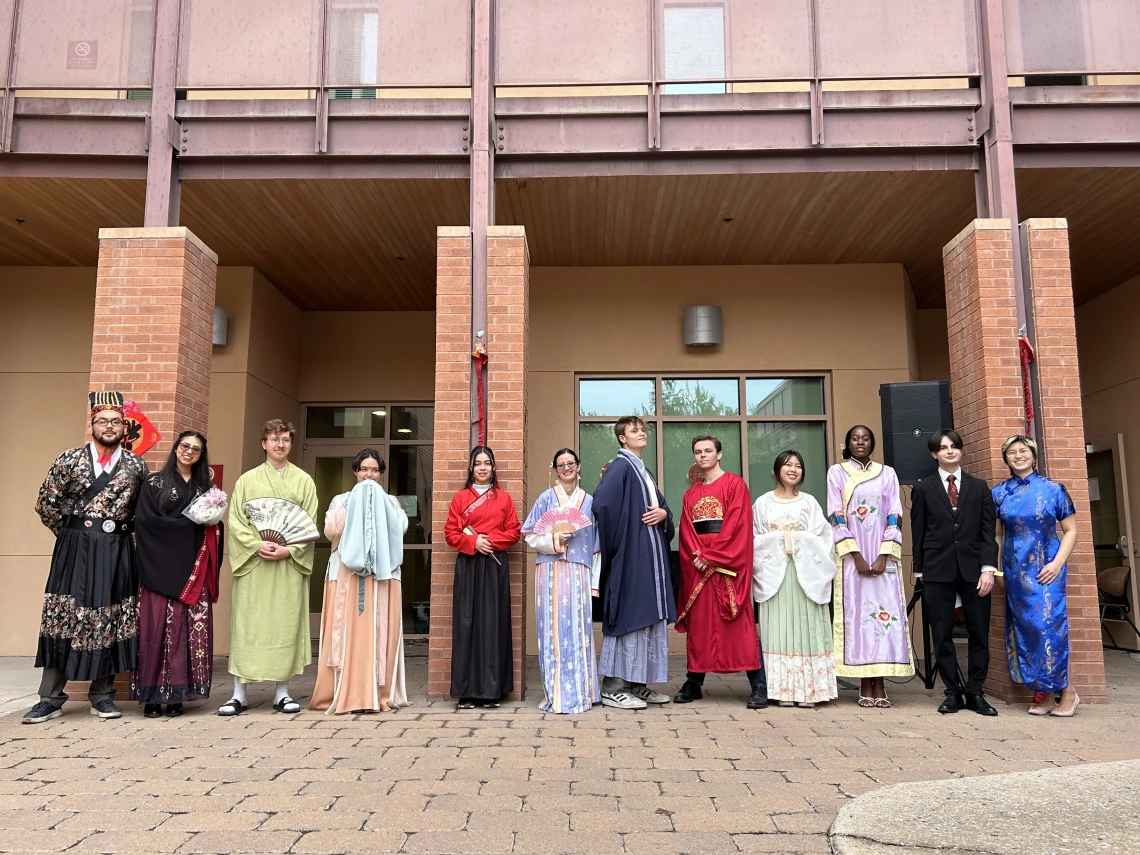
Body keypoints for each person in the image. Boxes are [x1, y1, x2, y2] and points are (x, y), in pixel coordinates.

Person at [23, 392, 150, 724]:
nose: (109, 426)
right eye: (102, 421)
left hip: (117, 547)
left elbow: (143, 511)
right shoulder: (69, 459)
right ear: (92, 425)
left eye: (116, 421)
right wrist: (71, 535)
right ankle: (50, 698)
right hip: (74, 547)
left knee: (108, 614)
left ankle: (102, 696)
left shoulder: (135, 465)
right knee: (63, 615)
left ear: (125, 427)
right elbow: (46, 503)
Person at [219, 419, 318, 716]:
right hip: (255, 565)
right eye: (274, 439)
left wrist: (289, 548)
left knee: (283, 625)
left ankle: (282, 692)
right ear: (263, 443)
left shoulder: (303, 481)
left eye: (286, 440)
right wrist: (255, 545)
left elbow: (308, 523)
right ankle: (238, 693)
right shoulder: (247, 480)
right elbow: (236, 521)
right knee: (247, 625)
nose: (280, 445)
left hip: (287, 564)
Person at [131, 430, 223, 718]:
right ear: (176, 448)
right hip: (158, 568)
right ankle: (151, 697)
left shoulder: (204, 488)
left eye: (196, 449)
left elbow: (215, 528)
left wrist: (212, 523)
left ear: (201, 455)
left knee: (186, 632)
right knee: (155, 631)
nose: (189, 452)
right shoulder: (154, 483)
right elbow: (146, 523)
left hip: (193, 569)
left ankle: (177, 696)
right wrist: (188, 526)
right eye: (185, 446)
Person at [311, 449, 409, 714]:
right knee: (345, 631)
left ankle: (378, 692)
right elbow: (331, 531)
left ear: (381, 473)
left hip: (382, 578)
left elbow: (400, 529)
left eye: (374, 470)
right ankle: (342, 691)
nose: (369, 475)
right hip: (345, 576)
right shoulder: (341, 499)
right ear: (355, 471)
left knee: (379, 632)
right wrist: (349, 508)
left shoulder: (390, 501)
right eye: (364, 469)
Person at [911, 429, 999, 716]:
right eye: (943, 447)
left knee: (978, 632)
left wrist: (989, 569)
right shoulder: (923, 488)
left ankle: (975, 691)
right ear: (934, 454)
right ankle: (952, 692)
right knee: (942, 633)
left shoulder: (979, 487)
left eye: (954, 447)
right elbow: (919, 531)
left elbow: (989, 532)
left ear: (961, 451)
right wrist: (920, 572)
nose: (950, 451)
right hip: (937, 570)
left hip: (975, 570)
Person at [674, 436, 765, 709]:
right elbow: (687, 532)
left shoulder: (735, 485)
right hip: (700, 565)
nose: (703, 455)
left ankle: (758, 683)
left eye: (708, 451)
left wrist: (712, 557)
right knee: (701, 625)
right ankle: (694, 681)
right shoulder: (690, 494)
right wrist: (698, 556)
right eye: (698, 452)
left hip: (727, 567)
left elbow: (738, 525)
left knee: (740, 625)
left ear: (719, 454)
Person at [993, 435, 1080, 717]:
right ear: (1006, 458)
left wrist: (1057, 563)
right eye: (1012, 453)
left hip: (1046, 569)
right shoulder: (999, 493)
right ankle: (1042, 694)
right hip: (1015, 571)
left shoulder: (1054, 489)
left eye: (1023, 451)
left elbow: (1071, 531)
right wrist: (998, 570)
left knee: (1050, 629)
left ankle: (1068, 692)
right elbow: (997, 535)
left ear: (1033, 455)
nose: (1018, 456)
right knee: (1027, 631)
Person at [827, 425, 914, 708]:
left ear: (871, 443)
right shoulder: (837, 473)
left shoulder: (886, 473)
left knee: (884, 618)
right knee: (858, 618)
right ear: (848, 444)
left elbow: (894, 514)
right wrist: (856, 555)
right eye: (855, 438)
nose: (860, 442)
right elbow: (835, 515)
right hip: (853, 559)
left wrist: (883, 555)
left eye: (865, 438)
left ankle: (881, 684)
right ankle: (864, 683)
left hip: (882, 557)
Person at [592, 416, 676, 710]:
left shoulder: (644, 471)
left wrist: (664, 516)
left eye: (643, 430)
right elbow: (602, 504)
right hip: (632, 558)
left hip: (649, 559)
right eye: (634, 431)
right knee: (630, 616)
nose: (641, 433)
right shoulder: (621, 467)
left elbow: (662, 508)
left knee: (647, 618)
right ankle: (613, 686)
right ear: (621, 438)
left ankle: (637, 683)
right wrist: (621, 544)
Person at [752, 450, 837, 708]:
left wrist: (794, 540)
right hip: (774, 575)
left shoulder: (809, 503)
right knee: (777, 629)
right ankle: (780, 690)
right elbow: (754, 539)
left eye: (798, 466)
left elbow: (824, 537)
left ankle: (809, 690)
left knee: (805, 628)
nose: (793, 469)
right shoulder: (763, 503)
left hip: (805, 575)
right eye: (787, 465)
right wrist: (783, 540)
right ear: (776, 470)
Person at [521, 448, 601, 714]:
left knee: (579, 630)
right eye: (561, 464)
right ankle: (555, 693)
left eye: (571, 463)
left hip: (579, 570)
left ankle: (583, 693)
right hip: (550, 570)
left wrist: (595, 581)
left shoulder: (589, 502)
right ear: (555, 469)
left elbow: (597, 546)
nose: (566, 468)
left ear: (578, 467)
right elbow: (530, 535)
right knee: (552, 631)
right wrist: (554, 540)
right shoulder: (546, 498)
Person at [444, 446, 521, 708]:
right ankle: (466, 691)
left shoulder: (504, 499)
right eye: (478, 463)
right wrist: (474, 542)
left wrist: (489, 541)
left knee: (492, 624)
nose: (483, 468)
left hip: (494, 566)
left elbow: (514, 532)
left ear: (494, 467)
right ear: (470, 468)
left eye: (487, 463)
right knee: (466, 624)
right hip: (468, 564)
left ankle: (492, 691)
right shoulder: (459, 498)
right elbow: (451, 533)